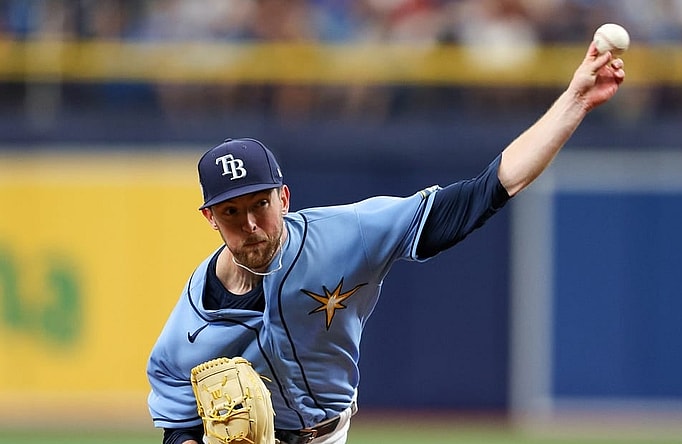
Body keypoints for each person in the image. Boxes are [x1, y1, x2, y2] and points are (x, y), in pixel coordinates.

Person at [146, 41, 625, 444]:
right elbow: (173, 416)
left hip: (331, 433)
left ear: (285, 197)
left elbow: (484, 193)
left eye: (260, 205)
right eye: (231, 211)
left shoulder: (345, 235)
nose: (250, 223)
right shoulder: (192, 321)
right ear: (210, 218)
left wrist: (575, 101)